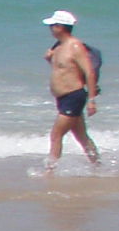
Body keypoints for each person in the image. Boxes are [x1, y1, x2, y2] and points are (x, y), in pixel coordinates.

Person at [42, 10, 100, 169]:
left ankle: (50, 171)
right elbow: (64, 70)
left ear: (60, 27)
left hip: (74, 96)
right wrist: (50, 59)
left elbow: (89, 72)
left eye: (53, 25)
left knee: (56, 135)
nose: (50, 28)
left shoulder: (75, 46)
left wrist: (92, 100)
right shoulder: (58, 47)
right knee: (81, 137)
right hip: (62, 98)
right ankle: (98, 166)